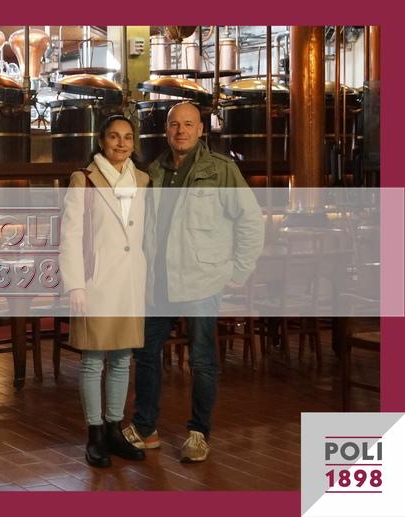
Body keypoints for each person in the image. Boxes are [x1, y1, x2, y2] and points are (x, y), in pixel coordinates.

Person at [123, 102, 264, 462]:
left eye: (188, 125)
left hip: (202, 279)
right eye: (175, 125)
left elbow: (250, 220)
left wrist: (240, 270)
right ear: (166, 130)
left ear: (201, 130)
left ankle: (199, 433)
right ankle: (145, 428)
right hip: (158, 282)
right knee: (146, 354)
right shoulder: (154, 171)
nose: (181, 131)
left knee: (202, 359)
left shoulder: (221, 169)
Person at [59, 115, 150, 467]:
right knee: (93, 360)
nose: (121, 143)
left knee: (123, 359)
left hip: (130, 282)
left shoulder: (142, 180)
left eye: (127, 137)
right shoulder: (84, 179)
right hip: (95, 282)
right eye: (114, 136)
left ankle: (114, 428)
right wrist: (75, 284)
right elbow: (70, 235)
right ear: (101, 141)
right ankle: (95, 433)